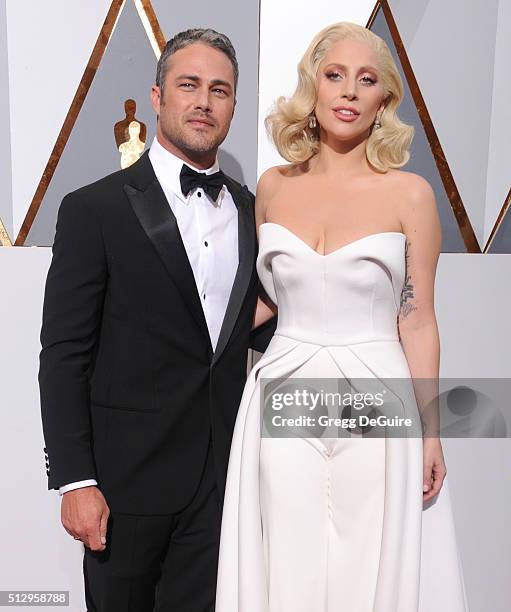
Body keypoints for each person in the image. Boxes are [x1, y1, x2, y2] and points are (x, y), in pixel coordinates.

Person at [215, 22, 468, 611]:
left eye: (366, 80)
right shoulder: (274, 188)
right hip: (283, 389)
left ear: (383, 101)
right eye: (335, 76)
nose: (349, 91)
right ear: (314, 87)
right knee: (287, 558)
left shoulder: (411, 195)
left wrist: (432, 431)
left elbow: (419, 320)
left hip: (377, 395)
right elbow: (272, 297)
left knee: (369, 563)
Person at [39, 28, 275, 612]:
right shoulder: (93, 208)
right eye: (188, 84)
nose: (203, 101)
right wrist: (75, 481)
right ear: (157, 96)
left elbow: (255, 328)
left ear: (233, 107)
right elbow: (64, 354)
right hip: (124, 484)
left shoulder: (254, 212)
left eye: (219, 90)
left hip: (221, 483)